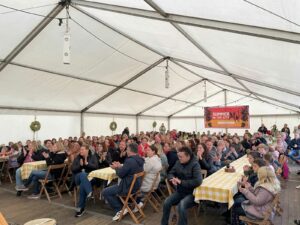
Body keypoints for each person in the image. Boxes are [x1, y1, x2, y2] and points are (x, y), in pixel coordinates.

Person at [102, 143, 144, 221]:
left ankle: (119, 209)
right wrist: (120, 166)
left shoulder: (129, 161)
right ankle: (123, 206)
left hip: (127, 187)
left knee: (105, 191)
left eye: (127, 149)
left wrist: (115, 168)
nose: (126, 151)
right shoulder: (139, 159)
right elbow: (130, 169)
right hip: (136, 186)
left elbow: (120, 175)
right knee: (112, 187)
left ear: (130, 150)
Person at [161, 147, 202, 225]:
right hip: (180, 192)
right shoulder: (178, 163)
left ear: (188, 156)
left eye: (181, 157)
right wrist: (172, 178)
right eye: (178, 156)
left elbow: (198, 181)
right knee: (166, 202)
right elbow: (170, 173)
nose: (179, 158)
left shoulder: (195, 164)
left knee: (181, 205)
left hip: (192, 193)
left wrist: (181, 182)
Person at [72, 144, 99, 217]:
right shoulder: (78, 158)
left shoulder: (93, 156)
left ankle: (81, 208)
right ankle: (89, 191)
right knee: (83, 174)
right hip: (78, 177)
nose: (81, 151)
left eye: (82, 149)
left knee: (82, 185)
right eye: (80, 149)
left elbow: (96, 167)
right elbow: (73, 169)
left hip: (90, 178)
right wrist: (80, 166)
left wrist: (87, 163)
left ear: (87, 150)